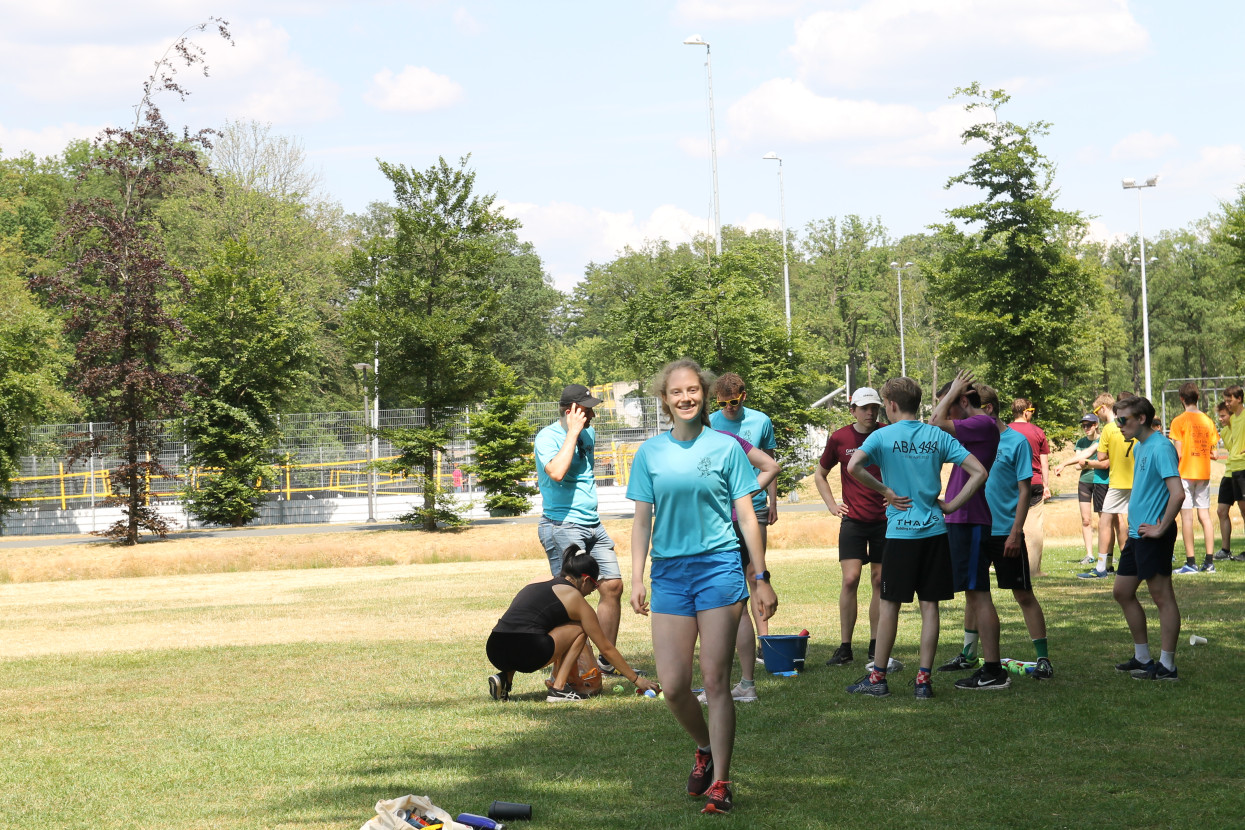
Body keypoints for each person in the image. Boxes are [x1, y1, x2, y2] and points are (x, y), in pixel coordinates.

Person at [628, 359, 778, 815]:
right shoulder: (649, 453)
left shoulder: (728, 447)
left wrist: (761, 575)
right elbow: (641, 520)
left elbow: (748, 515)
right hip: (670, 575)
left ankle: (722, 782)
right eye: (677, 392)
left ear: (705, 394)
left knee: (715, 681)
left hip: (719, 569)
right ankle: (704, 747)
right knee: (673, 687)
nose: (686, 398)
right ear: (665, 399)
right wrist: (636, 575)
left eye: (693, 390)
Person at [843, 376, 988, 699]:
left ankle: (877, 677)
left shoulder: (883, 436)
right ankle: (924, 680)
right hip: (935, 532)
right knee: (929, 606)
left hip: (900, 534)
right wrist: (949, 505)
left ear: (891, 405)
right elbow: (979, 471)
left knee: (890, 604)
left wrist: (886, 491)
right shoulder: (935, 434)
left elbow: (854, 466)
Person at [963, 383, 1054, 685]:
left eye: (972, 411)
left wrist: (1016, 532)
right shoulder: (973, 438)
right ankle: (967, 654)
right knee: (974, 594)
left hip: (1005, 532)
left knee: (1023, 593)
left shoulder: (1016, 442)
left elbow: (1025, 489)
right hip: (976, 529)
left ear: (987, 409)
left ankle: (1043, 659)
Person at [486, 547, 659, 702]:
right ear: (585, 579)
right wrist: (637, 680)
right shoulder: (574, 598)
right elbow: (606, 648)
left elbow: (521, 622)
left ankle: (505, 680)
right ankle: (558, 689)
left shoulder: (538, 580)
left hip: (495, 648)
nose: (593, 591)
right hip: (530, 651)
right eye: (595, 585)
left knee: (530, 627)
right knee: (580, 628)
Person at [534, 384, 624, 676]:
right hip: (562, 524)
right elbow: (557, 472)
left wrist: (580, 431)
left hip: (592, 522)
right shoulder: (547, 437)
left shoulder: (590, 432)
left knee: (612, 585)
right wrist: (572, 432)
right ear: (569, 410)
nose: (593, 414)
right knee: (570, 597)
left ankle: (607, 661)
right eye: (586, 409)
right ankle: (561, 667)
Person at [814, 387, 896, 671]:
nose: (870, 412)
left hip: (885, 521)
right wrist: (832, 504)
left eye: (874, 407)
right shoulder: (840, 438)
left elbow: (901, 468)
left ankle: (875, 646)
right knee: (850, 579)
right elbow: (820, 474)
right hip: (853, 522)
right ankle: (845, 647)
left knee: (878, 581)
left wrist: (894, 495)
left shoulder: (888, 433)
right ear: (853, 410)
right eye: (864, 408)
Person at [698, 431, 781, 704]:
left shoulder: (723, 440)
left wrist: (740, 496)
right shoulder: (728, 438)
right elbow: (771, 466)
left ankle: (727, 686)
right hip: (723, 529)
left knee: (717, 607)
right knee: (738, 606)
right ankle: (745, 684)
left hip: (720, 531)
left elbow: (772, 466)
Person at [929, 371, 1001, 677]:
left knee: (979, 593)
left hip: (971, 519)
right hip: (962, 519)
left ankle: (994, 669)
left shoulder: (981, 422)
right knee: (973, 592)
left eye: (948, 403)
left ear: (960, 400)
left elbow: (934, 423)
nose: (944, 410)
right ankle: (972, 657)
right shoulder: (971, 429)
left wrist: (951, 392)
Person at [1109, 396, 1183, 681]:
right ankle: (1142, 658)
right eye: (1117, 420)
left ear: (1141, 418)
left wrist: (1161, 528)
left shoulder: (1161, 447)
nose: (1119, 426)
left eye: (1123, 420)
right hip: (1136, 535)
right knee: (1122, 592)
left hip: (1153, 536)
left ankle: (1167, 666)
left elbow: (1177, 493)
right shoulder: (1140, 447)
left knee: (1162, 597)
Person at [709, 373, 778, 654]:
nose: (729, 408)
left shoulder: (761, 421)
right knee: (728, 575)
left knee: (755, 571)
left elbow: (770, 462)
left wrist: (773, 500)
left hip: (756, 505)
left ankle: (763, 640)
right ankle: (734, 639)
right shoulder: (712, 423)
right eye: (723, 403)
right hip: (723, 510)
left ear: (744, 396)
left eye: (734, 402)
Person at [1076, 393, 1136, 579]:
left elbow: (1101, 457)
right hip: (1134, 481)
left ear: (1103, 408)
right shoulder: (1132, 426)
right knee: (1129, 523)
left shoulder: (1110, 429)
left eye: (1096, 411)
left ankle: (1101, 567)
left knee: (1105, 522)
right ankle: (1129, 563)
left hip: (1116, 482)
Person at [1168, 382, 1220, 573]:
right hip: (1203, 473)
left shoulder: (1179, 421)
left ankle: (1191, 562)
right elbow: (1213, 451)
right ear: (1197, 397)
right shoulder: (1207, 420)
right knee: (1205, 516)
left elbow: (1178, 453)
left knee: (1187, 518)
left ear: (1182, 398)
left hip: (1185, 473)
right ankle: (1209, 561)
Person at [1054, 414, 1109, 566]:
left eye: (1089, 425)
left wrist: (1082, 462)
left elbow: (1084, 458)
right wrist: (1088, 462)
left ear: (1096, 424)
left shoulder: (1102, 438)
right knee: (1086, 520)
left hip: (1101, 481)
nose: (1086, 428)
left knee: (1104, 520)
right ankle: (1089, 554)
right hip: (1085, 482)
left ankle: (1106, 553)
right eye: (1083, 425)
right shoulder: (1081, 442)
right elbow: (1079, 464)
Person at [1009, 399, 1051, 576]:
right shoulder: (1037, 431)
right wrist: (1046, 485)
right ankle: (1033, 569)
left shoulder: (1005, 430)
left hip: (1011, 483)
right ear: (1026, 412)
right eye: (1032, 410)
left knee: (1009, 522)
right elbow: (1044, 462)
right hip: (1033, 481)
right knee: (1034, 526)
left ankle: (1008, 564)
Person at [1214, 386, 1245, 563]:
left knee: (1244, 510)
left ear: (1239, 399)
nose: (1227, 404)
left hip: (1242, 468)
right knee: (1221, 510)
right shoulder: (1231, 423)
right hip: (1230, 470)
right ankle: (1225, 550)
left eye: (1229, 400)